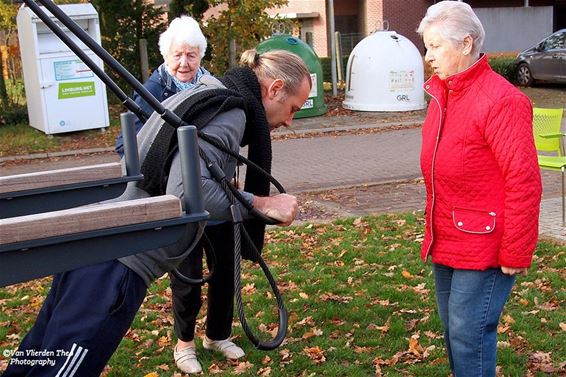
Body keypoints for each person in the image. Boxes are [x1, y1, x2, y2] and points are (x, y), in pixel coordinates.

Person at [2, 48, 311, 377]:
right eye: (293, 108)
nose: (290, 120)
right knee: (60, 371)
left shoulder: (207, 91)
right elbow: (184, 194)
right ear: (275, 88)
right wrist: (261, 203)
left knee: (35, 358)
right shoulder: (230, 111)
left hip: (94, 251)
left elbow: (179, 175)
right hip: (116, 267)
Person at [416, 2, 542, 376]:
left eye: (435, 46)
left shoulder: (502, 101)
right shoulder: (443, 93)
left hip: (485, 240)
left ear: (466, 43)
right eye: (427, 47)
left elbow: (524, 179)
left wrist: (516, 250)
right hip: (447, 235)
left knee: (470, 333)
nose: (428, 57)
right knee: (455, 333)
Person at [114, 15, 210, 156]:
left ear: (200, 56)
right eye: (177, 55)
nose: (184, 63)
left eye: (191, 55)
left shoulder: (211, 86)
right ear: (166, 56)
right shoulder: (151, 92)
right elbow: (125, 146)